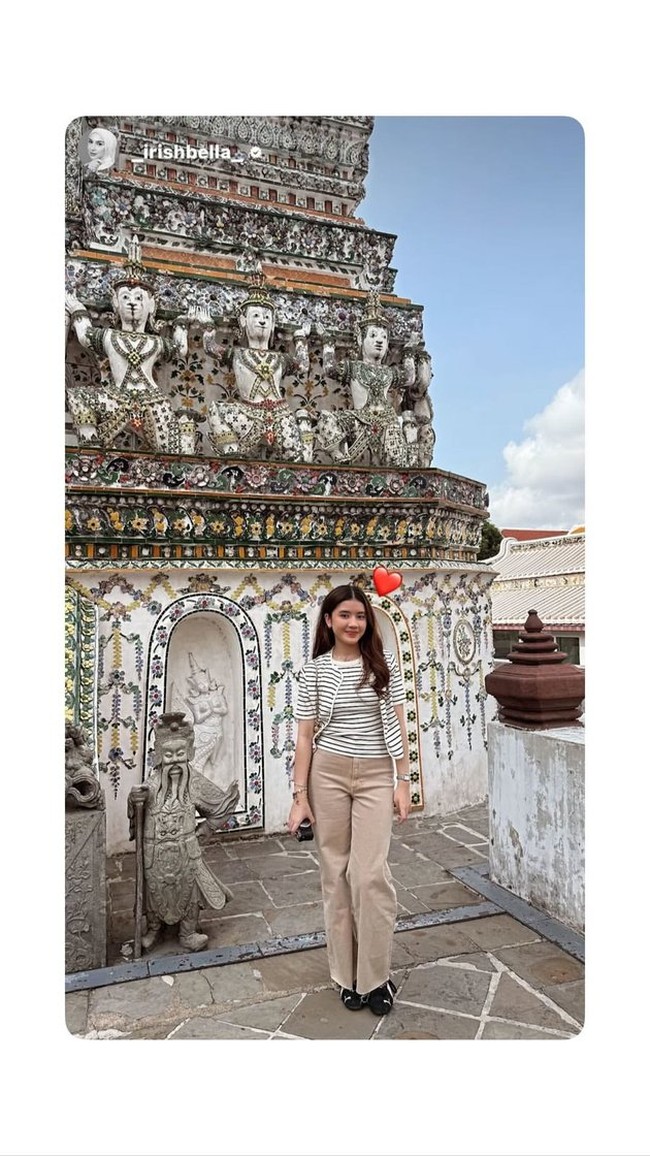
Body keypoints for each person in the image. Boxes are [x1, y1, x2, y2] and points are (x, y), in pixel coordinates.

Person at [287, 583, 411, 1016]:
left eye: (360, 616)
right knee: (335, 875)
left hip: (376, 774)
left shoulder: (383, 665)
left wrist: (403, 780)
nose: (353, 623)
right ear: (329, 620)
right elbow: (304, 737)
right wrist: (300, 796)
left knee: (369, 875)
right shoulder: (314, 672)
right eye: (345, 615)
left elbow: (400, 723)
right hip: (328, 775)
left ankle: (375, 977)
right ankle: (345, 976)